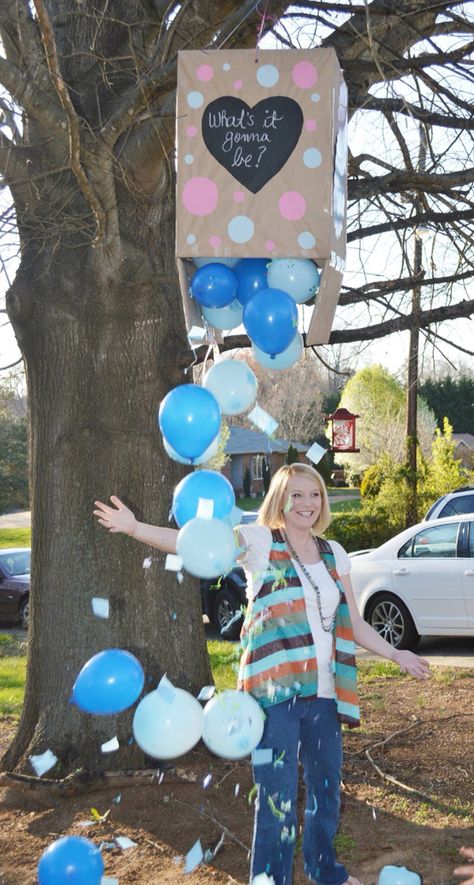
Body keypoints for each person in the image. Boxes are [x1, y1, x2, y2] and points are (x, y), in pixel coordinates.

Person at [94, 462, 431, 885]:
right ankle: (270, 879)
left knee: (327, 795)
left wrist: (397, 653)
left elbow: (355, 624)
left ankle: (325, 871)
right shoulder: (258, 542)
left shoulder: (334, 553)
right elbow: (196, 544)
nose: (307, 503)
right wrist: (134, 527)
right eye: (297, 495)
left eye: (315, 495)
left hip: (326, 695)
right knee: (277, 800)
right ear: (280, 500)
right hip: (273, 699)